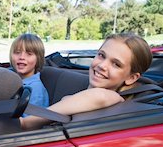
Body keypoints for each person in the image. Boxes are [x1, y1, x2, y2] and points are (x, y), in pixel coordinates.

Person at [20, 33, 153, 131]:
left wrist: (26, 123)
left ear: (131, 78)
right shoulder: (84, 97)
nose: (102, 65)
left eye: (116, 64)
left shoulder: (112, 97)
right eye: (101, 55)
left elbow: (99, 96)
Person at [9, 33, 49, 109]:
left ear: (38, 59)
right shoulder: (10, 78)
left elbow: (31, 119)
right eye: (17, 52)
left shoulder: (35, 90)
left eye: (29, 54)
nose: (21, 57)